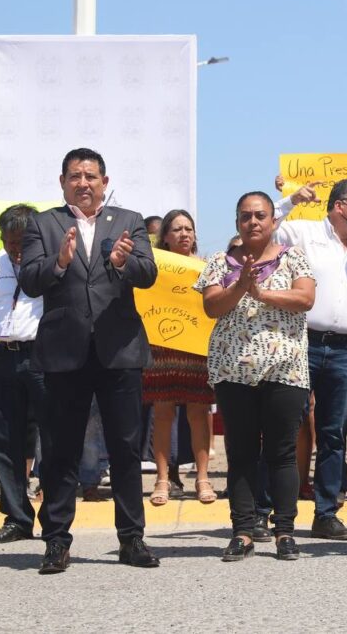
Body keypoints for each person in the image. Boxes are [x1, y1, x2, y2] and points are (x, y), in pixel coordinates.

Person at [20, 147, 159, 574]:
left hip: (119, 350)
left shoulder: (129, 220)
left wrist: (122, 263)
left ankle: (131, 539)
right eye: (75, 176)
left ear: (104, 181)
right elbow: (29, 280)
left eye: (91, 176)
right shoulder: (44, 224)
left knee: (125, 449)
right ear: (62, 182)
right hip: (64, 352)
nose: (84, 183)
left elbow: (148, 272)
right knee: (61, 450)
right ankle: (56, 540)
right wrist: (59, 263)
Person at [196, 191, 315, 561]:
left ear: (272, 220)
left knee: (281, 453)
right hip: (234, 371)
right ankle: (243, 531)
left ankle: (284, 533)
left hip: (284, 369)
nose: (253, 222)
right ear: (236, 223)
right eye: (245, 216)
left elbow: (305, 298)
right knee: (241, 453)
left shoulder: (293, 257)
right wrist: (240, 286)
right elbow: (212, 306)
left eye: (260, 215)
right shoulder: (219, 262)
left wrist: (262, 293)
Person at [273, 179, 347, 541]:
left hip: (346, 349)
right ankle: (271, 510)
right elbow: (261, 232)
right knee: (285, 427)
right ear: (337, 206)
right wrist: (290, 200)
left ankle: (326, 512)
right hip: (302, 341)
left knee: (333, 433)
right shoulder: (303, 232)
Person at [0, 203, 49, 543]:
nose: (16, 249)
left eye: (22, 241)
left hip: (43, 357)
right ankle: (17, 518)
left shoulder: (50, 264)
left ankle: (54, 517)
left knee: (52, 436)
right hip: (4, 356)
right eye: (10, 242)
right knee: (4, 438)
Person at [146, 209, 216, 505]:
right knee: (162, 413)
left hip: (197, 348)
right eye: (176, 229)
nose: (184, 234)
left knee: (198, 413)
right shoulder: (152, 268)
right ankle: (162, 479)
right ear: (165, 237)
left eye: (188, 229)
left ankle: (202, 478)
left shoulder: (208, 267)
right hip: (161, 349)